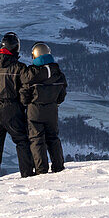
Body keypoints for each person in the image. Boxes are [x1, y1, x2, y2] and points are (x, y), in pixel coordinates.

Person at [0, 32, 35, 181]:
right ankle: (27, 174)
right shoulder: (20, 68)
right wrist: (23, 105)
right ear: (15, 48)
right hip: (12, 108)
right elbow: (26, 88)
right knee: (22, 141)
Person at [20, 42, 68, 174]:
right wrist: (55, 103)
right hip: (52, 110)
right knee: (53, 138)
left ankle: (41, 169)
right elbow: (62, 93)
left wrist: (27, 104)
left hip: (35, 110)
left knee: (37, 139)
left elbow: (24, 95)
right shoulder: (57, 73)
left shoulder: (30, 74)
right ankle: (58, 166)